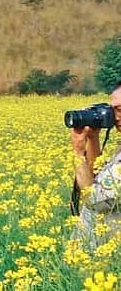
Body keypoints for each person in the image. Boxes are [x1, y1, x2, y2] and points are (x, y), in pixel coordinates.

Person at [70, 79, 121, 246]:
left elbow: (93, 199)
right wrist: (93, 138)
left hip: (109, 256)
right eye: (112, 109)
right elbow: (97, 178)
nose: (115, 117)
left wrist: (78, 152)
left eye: (119, 109)